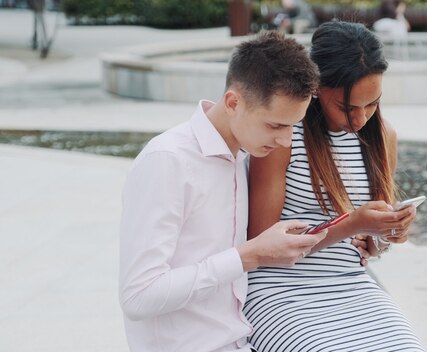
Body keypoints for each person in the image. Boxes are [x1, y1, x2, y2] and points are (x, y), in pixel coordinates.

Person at [118, 31, 325, 352]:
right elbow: (138, 296)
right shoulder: (168, 160)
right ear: (232, 102)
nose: (287, 141)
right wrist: (250, 254)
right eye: (275, 125)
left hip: (240, 340)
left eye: (292, 126)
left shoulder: (241, 154)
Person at [243, 21, 426, 352]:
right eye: (347, 107)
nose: (360, 120)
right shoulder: (285, 136)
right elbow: (262, 244)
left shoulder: (383, 138)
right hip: (279, 289)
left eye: (372, 104)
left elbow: (370, 245)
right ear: (317, 87)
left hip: (350, 285)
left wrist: (386, 233)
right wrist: (352, 223)